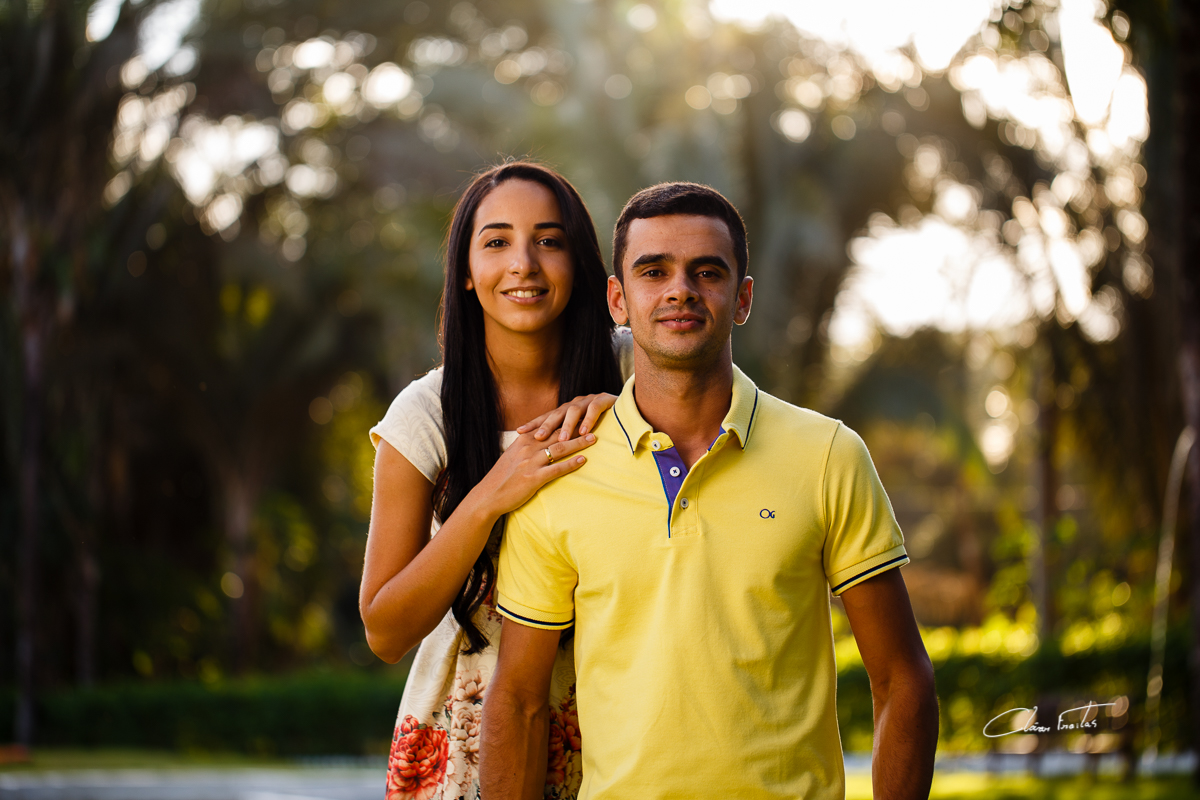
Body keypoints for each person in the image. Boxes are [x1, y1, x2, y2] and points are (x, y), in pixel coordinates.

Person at [480, 182, 939, 800]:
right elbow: (519, 701)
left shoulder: (828, 456)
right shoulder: (564, 471)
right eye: (653, 271)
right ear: (617, 299)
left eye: (707, 271)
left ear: (742, 297)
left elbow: (902, 680)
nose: (680, 290)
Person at [360, 161, 633, 800]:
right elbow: (385, 631)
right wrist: (490, 495)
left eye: (549, 239)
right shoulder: (426, 414)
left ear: (582, 263)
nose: (524, 264)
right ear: (465, 272)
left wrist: (624, 411)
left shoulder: (633, 372)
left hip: (619, 720)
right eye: (497, 242)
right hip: (469, 732)